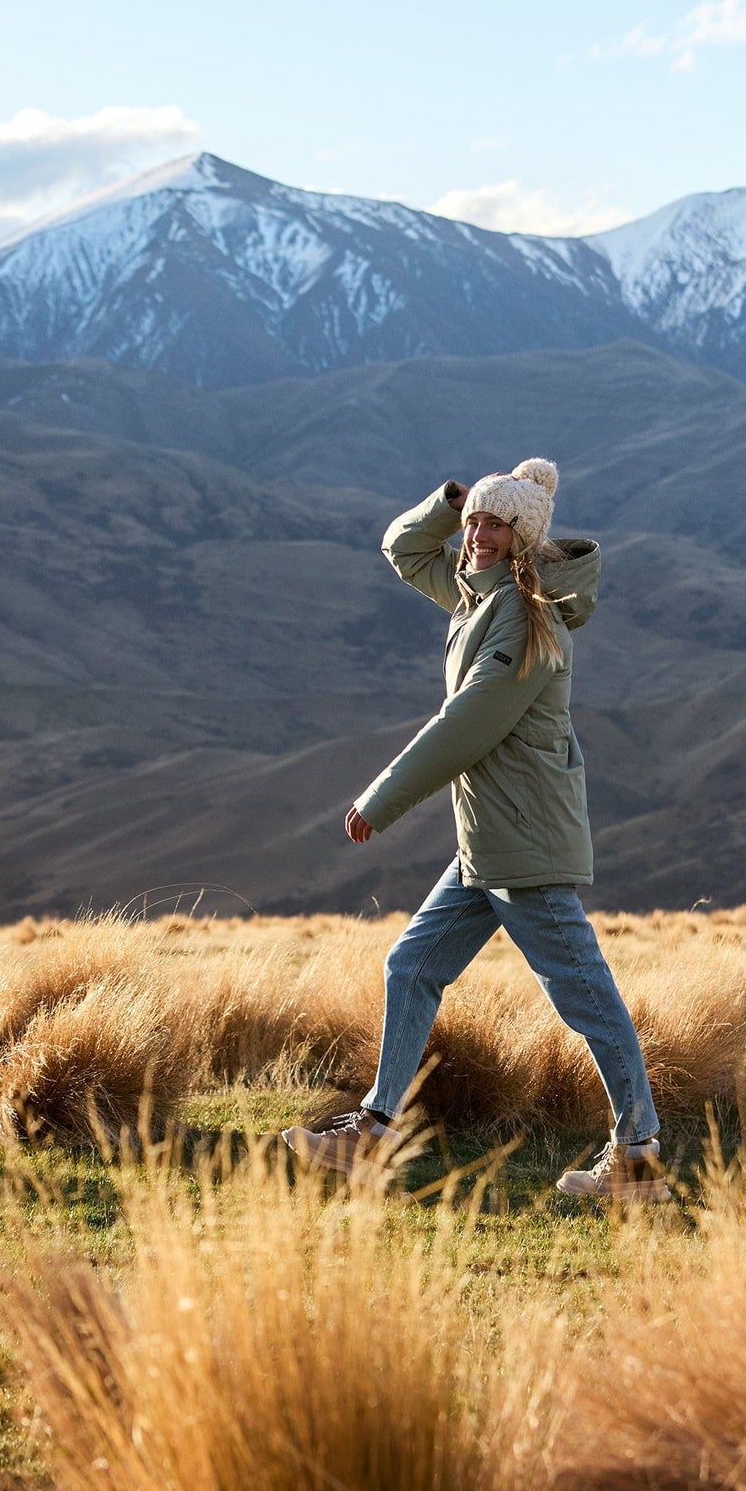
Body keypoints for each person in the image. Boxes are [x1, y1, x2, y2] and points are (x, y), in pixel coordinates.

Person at [283, 459, 669, 1202]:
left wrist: (380, 798)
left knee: (587, 999)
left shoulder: (526, 622)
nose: (475, 536)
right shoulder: (475, 597)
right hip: (483, 844)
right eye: (472, 526)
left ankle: (638, 1157)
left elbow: (467, 725)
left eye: (494, 524)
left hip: (519, 845)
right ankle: (373, 1131)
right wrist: (453, 501)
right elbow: (401, 548)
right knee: (411, 965)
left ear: (522, 539)